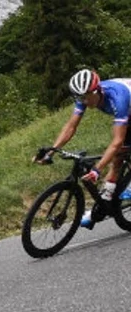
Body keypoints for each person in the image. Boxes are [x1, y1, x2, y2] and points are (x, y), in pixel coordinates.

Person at [34, 68, 131, 228]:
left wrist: (97, 170)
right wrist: (50, 151)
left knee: (120, 148)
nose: (83, 101)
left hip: (127, 105)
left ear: (96, 90)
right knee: (117, 158)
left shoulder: (117, 98)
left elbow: (117, 141)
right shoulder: (85, 95)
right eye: (80, 97)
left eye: (86, 97)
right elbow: (71, 127)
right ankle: (103, 204)